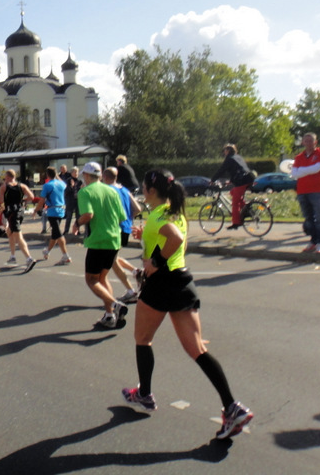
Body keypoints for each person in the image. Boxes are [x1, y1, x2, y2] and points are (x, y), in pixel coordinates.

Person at [122, 168, 253, 439]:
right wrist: (147, 239)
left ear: (150, 190)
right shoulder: (175, 211)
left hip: (160, 285)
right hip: (182, 282)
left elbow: (175, 239)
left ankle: (144, 394)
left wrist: (154, 264)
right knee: (197, 349)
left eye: (144, 187)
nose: (142, 190)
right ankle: (232, 406)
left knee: (142, 339)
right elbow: (172, 238)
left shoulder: (158, 215)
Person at [72, 162, 128, 329]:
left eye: (84, 175)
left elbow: (88, 214)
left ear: (87, 176)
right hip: (114, 240)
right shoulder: (112, 191)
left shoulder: (85, 192)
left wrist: (77, 223)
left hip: (98, 241)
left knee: (91, 280)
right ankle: (110, 315)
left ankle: (115, 305)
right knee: (102, 278)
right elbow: (121, 216)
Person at [103, 167, 142, 304]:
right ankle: (136, 271)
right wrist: (128, 219)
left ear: (105, 177)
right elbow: (137, 208)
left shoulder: (108, 191)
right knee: (113, 257)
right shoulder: (124, 189)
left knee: (112, 261)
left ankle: (131, 291)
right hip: (126, 228)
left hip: (114, 228)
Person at [291, 132, 320, 253]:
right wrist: (306, 170)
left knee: (319, 218)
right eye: (306, 141)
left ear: (315, 142)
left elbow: (317, 168)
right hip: (302, 191)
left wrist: (301, 170)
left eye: (310, 141)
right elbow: (294, 174)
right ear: (303, 142)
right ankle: (313, 241)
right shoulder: (298, 157)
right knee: (308, 219)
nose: (308, 143)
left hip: (317, 190)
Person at [0, 169, 37, 273]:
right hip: (19, 211)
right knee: (9, 232)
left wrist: (1, 206)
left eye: (5, 177)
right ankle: (13, 256)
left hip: (12, 213)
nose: (4, 179)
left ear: (9, 177)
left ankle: (29, 258)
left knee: (18, 237)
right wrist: (22, 200)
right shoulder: (22, 186)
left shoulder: (4, 187)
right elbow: (31, 197)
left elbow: (0, 200)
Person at [210, 144, 255, 230]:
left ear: (228, 151)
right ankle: (246, 210)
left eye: (225, 150)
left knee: (234, 203)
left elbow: (221, 170)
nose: (224, 152)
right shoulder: (238, 157)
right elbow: (238, 170)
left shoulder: (229, 159)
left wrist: (213, 180)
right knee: (233, 192)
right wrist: (230, 181)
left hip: (242, 181)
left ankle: (236, 223)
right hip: (249, 178)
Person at [35, 167, 70, 264]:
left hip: (52, 210)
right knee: (55, 233)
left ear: (47, 175)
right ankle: (47, 251)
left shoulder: (47, 185)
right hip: (61, 209)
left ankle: (65, 255)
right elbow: (63, 186)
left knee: (58, 233)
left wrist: (36, 210)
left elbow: (42, 200)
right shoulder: (62, 184)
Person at [62, 167, 82, 235]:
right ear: (71, 173)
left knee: (78, 216)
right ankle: (66, 230)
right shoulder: (68, 180)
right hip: (70, 201)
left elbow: (81, 191)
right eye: (75, 172)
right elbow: (66, 191)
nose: (76, 173)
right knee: (69, 216)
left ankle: (77, 230)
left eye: (77, 172)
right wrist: (72, 186)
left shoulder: (79, 181)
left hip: (78, 201)